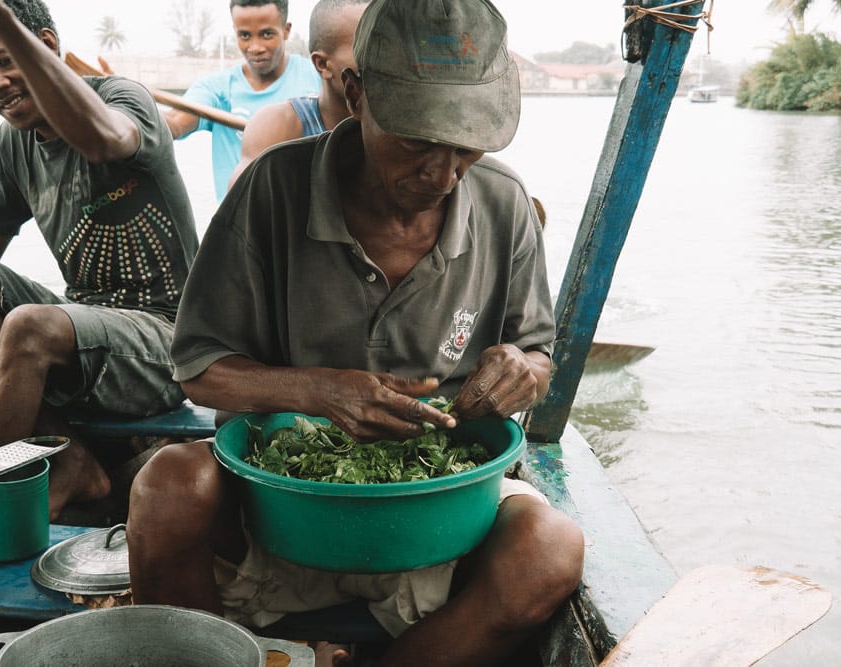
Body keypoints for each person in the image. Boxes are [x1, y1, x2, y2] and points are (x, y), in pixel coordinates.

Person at [128, 0, 584, 664]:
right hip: (284, 510)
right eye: (416, 140)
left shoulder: (503, 203)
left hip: (442, 516)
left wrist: (522, 367)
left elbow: (537, 353)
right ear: (356, 92)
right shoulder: (271, 191)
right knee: (166, 485)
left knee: (552, 548)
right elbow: (198, 366)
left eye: (465, 144)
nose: (441, 172)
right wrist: (318, 390)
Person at [0, 0, 199, 519]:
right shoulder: (13, 145)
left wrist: (2, 17)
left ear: (46, 48)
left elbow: (107, 140)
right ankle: (71, 458)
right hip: (87, 327)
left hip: (174, 338)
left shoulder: (124, 99)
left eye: (4, 59)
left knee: (29, 328)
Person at [165, 0, 320, 201]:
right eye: (245, 35)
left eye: (266, 34)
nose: (255, 47)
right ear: (235, 31)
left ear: (286, 30)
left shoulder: (317, 79)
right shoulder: (218, 89)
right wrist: (128, 103)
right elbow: (174, 123)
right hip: (238, 227)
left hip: (302, 226)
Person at [228, 0, 369, 186]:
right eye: (366, 48)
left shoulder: (406, 123)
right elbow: (243, 211)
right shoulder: (274, 128)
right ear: (322, 64)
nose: (387, 59)